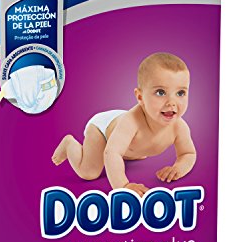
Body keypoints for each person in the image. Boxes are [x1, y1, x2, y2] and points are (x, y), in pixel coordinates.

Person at [51, 53, 196, 196]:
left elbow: (188, 153)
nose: (172, 102)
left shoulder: (179, 127)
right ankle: (69, 144)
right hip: (103, 129)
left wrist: (178, 168)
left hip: (125, 131)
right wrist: (123, 185)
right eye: (160, 92)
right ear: (140, 97)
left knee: (134, 151)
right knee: (89, 172)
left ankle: (129, 150)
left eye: (180, 93)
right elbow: (111, 153)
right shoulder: (131, 122)